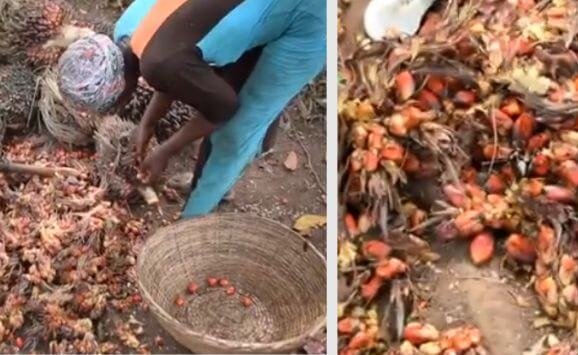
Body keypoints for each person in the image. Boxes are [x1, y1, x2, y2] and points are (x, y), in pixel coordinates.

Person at [57, 0, 326, 217]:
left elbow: (224, 109)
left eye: (115, 102)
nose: (120, 107)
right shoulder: (125, 30)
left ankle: (192, 222)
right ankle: (223, 181)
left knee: (235, 130)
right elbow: (172, 65)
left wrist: (166, 150)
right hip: (253, 10)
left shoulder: (159, 63)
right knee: (235, 84)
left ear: (118, 86)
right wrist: (147, 124)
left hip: (306, 17)